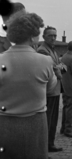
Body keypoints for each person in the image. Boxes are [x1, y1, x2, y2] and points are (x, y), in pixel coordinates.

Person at [0, 12, 57, 159]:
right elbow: (50, 90)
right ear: (32, 36)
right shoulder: (45, 61)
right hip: (35, 124)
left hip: (4, 123)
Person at [37, 26, 64, 152]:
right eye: (50, 35)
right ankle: (46, 146)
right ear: (44, 37)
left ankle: (50, 144)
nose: (53, 38)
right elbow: (55, 69)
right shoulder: (43, 50)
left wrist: (58, 67)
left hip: (55, 89)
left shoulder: (52, 50)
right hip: (49, 90)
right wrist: (58, 69)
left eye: (55, 35)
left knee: (53, 119)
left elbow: (60, 66)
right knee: (48, 120)